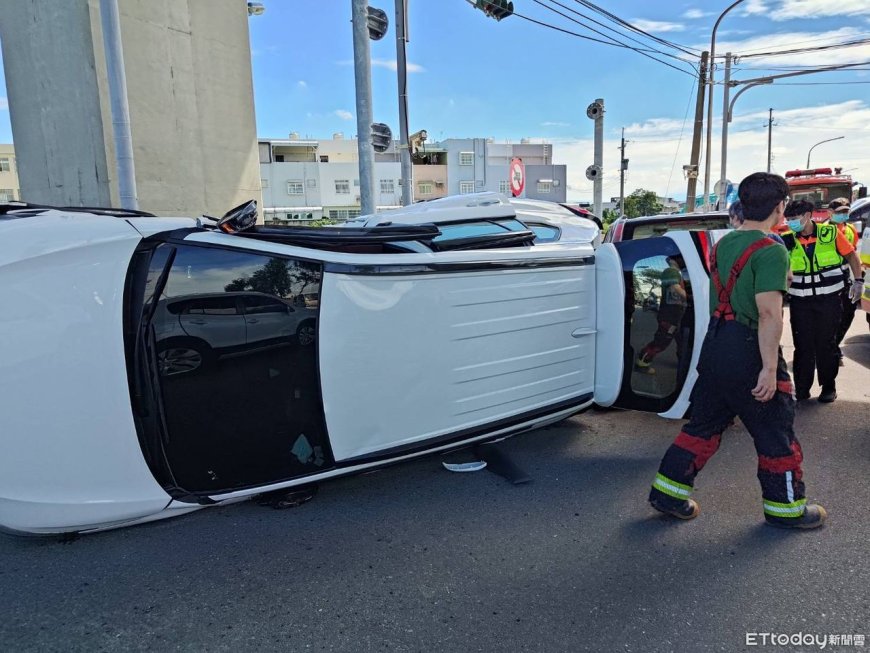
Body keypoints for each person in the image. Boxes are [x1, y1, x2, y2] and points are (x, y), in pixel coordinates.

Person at [648, 172, 826, 529]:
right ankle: (786, 509)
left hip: (716, 346)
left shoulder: (725, 243)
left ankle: (667, 493)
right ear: (781, 206)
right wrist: (767, 369)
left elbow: (734, 287)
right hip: (748, 349)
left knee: (704, 425)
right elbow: (768, 314)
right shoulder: (772, 249)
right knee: (775, 430)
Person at [782, 199, 862, 402]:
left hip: (829, 301)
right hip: (800, 303)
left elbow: (852, 256)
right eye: (788, 219)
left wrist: (858, 281)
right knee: (803, 346)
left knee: (826, 344)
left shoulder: (831, 234)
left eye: (794, 218)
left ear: (808, 216)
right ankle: (802, 389)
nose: (791, 223)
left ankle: (828, 387)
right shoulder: (787, 240)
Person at [635, 260, 687, 374]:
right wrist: (693, 297)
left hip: (676, 316)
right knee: (661, 342)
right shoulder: (672, 271)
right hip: (670, 316)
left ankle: (684, 364)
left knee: (683, 341)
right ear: (673, 259)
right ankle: (642, 363)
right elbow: (675, 289)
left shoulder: (677, 273)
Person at [827, 199, 862, 365]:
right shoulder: (823, 230)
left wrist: (858, 279)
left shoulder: (850, 230)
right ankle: (828, 347)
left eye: (845, 211)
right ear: (830, 212)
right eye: (839, 212)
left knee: (848, 312)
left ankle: (834, 344)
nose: (843, 215)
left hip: (845, 276)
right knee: (830, 316)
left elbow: (852, 254)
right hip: (827, 278)